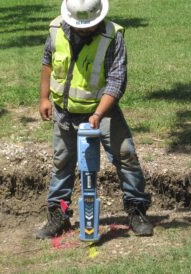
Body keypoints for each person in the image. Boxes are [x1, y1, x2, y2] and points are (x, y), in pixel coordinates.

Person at [36, 0, 153, 239]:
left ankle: (136, 210)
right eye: (81, 26)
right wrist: (44, 98)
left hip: (104, 111)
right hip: (65, 112)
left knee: (125, 155)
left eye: (89, 25)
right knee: (62, 163)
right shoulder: (57, 29)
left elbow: (117, 80)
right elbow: (47, 63)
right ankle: (58, 214)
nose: (85, 29)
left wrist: (98, 113)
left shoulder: (112, 37)